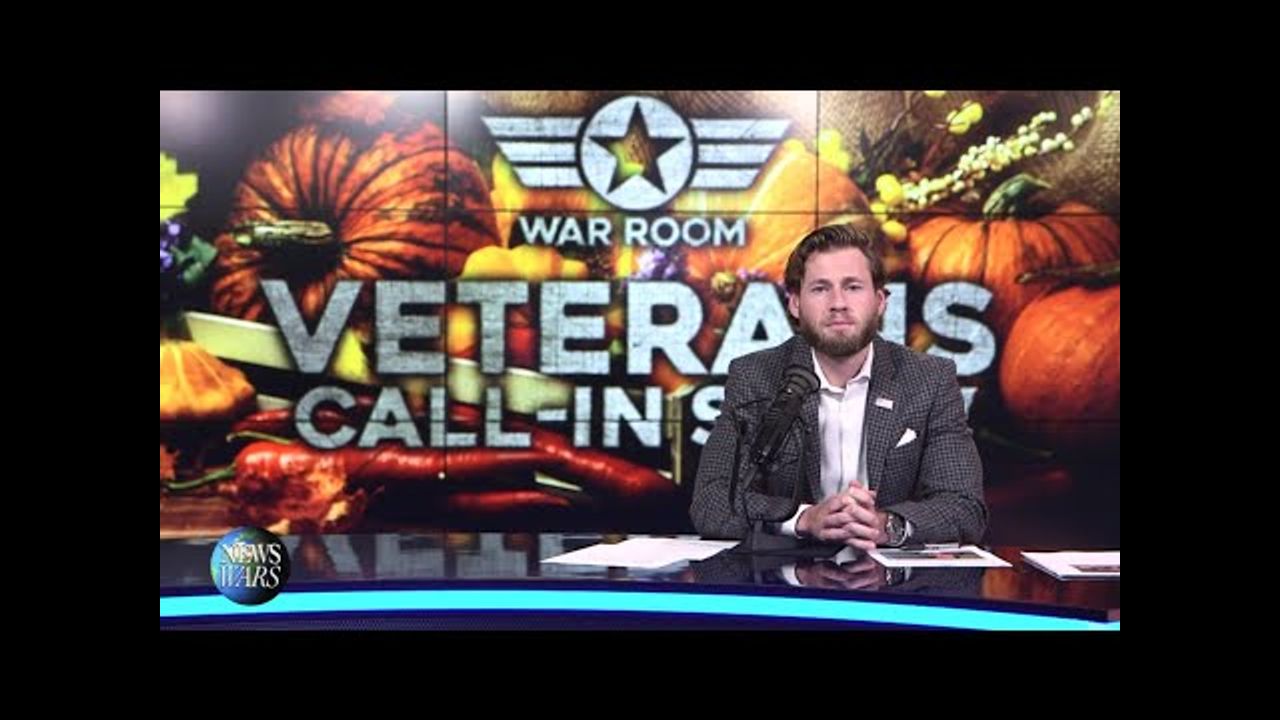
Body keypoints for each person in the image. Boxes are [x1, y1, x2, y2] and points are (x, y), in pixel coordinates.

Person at [690, 224, 987, 551]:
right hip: (790, 575)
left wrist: (886, 525)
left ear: (880, 301)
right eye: (820, 289)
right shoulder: (754, 377)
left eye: (853, 287)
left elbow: (964, 508)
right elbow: (711, 503)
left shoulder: (929, 379)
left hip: (889, 578)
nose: (838, 303)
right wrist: (804, 519)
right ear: (795, 304)